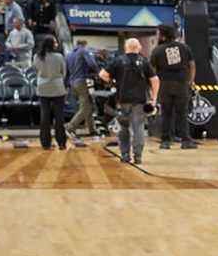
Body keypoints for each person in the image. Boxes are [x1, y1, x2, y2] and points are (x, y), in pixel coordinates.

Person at [99, 36, 157, 165]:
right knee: (139, 127)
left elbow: (102, 74)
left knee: (123, 127)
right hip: (140, 100)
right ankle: (138, 156)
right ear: (139, 48)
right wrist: (154, 97)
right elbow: (155, 80)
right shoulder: (144, 62)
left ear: (126, 48)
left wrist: (113, 82)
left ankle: (125, 154)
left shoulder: (119, 61)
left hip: (123, 99)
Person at [150, 23, 197, 150]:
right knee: (182, 113)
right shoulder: (184, 48)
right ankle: (186, 140)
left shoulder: (157, 50)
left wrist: (153, 86)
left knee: (166, 113)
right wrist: (191, 81)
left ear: (163, 36)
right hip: (181, 83)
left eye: (158, 33)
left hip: (164, 84)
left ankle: (165, 141)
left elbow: (153, 70)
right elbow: (192, 65)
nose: (156, 36)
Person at [33, 35, 69, 150]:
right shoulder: (59, 57)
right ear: (52, 45)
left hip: (43, 87)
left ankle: (45, 143)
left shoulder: (37, 56)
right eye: (55, 42)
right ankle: (61, 142)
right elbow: (64, 72)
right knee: (59, 116)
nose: (57, 44)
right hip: (57, 87)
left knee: (45, 115)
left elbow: (36, 70)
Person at [65, 38, 100, 140]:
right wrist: (95, 72)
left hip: (72, 83)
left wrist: (66, 85)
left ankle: (92, 130)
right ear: (85, 44)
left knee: (87, 104)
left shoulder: (69, 55)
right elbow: (92, 64)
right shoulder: (84, 51)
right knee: (86, 107)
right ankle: (70, 127)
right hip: (81, 81)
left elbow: (66, 72)